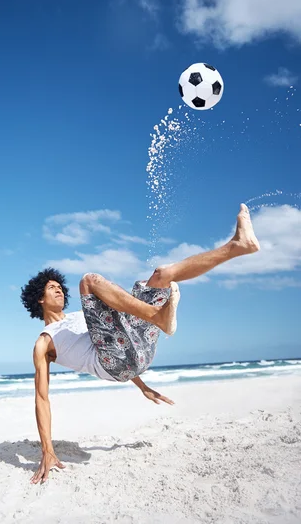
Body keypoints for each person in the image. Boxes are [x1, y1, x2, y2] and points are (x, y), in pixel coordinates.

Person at [20, 203, 260, 484]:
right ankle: (157, 317)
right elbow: (42, 398)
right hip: (114, 363)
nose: (59, 289)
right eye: (51, 288)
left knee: (161, 275)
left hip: (136, 350)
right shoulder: (44, 342)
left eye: (59, 286)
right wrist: (47, 450)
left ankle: (238, 245)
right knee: (89, 280)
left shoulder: (79, 316)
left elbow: (112, 334)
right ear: (39, 298)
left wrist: (143, 386)